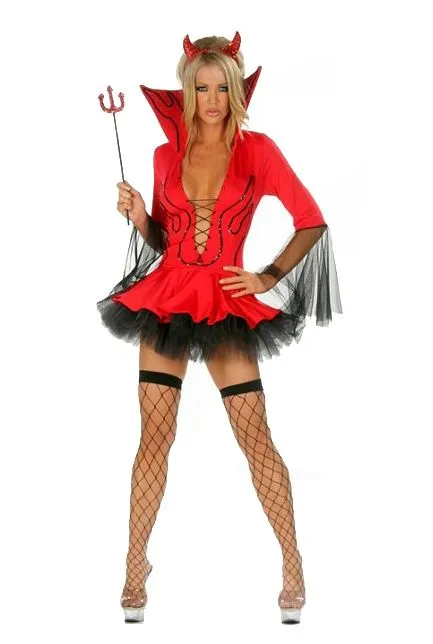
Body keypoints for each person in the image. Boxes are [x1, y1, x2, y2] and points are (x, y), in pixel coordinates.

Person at [96, 31, 342, 625]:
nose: (211, 100)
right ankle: (134, 566)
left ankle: (293, 565)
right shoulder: (165, 155)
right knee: (154, 436)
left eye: (221, 88)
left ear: (236, 91)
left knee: (254, 435)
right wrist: (141, 216)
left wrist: (266, 276)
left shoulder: (257, 151)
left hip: (226, 302)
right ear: (187, 91)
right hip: (167, 299)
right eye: (201, 88)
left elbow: (310, 220)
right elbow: (165, 241)